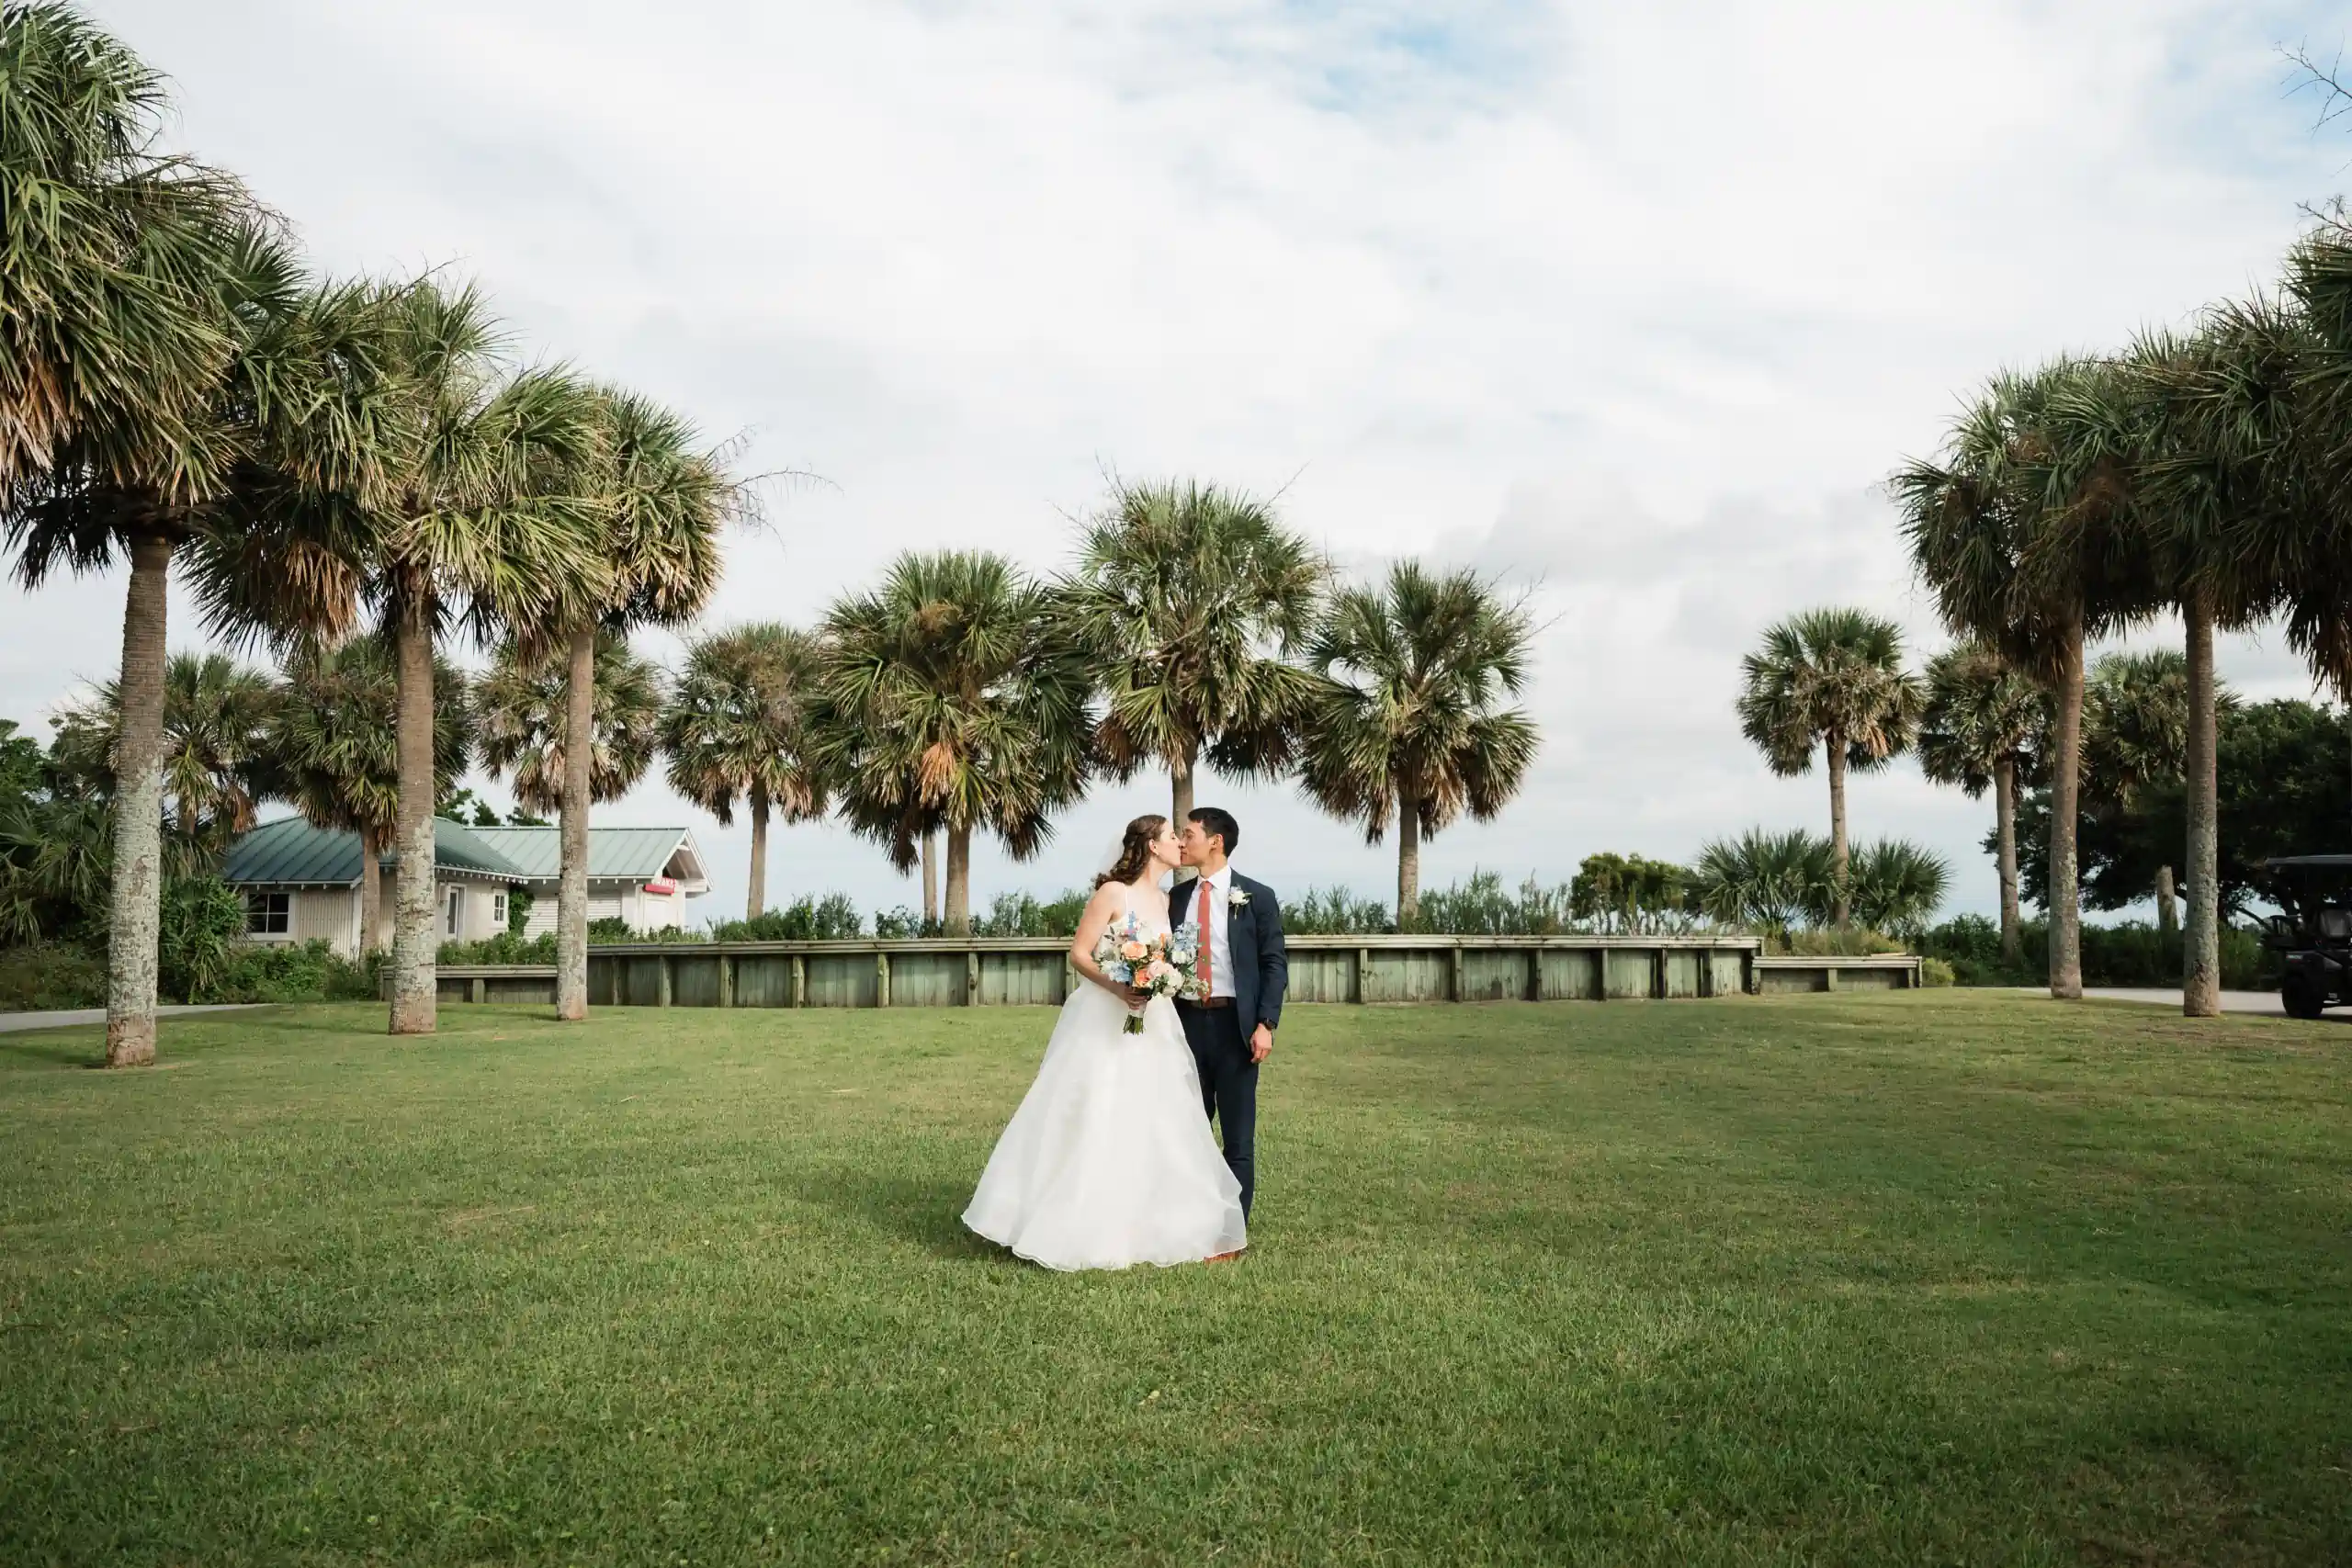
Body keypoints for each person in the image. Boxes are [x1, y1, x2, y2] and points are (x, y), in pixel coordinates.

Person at [961, 813, 1249, 1270]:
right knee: (1094, 1110)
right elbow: (1079, 952)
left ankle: (1149, 1221)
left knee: (1154, 1118)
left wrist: (1163, 980)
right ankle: (1064, 1217)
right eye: (1173, 836)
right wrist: (1119, 986)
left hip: (1154, 1022)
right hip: (1105, 1018)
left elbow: (1171, 958)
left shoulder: (1165, 900)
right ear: (1152, 846)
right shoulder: (1114, 893)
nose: (1180, 843)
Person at [1170, 805, 1285, 1235]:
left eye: (1189, 834)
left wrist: (1266, 1024)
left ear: (1215, 841)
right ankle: (1185, 1222)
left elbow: (1274, 965)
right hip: (1184, 1029)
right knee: (1186, 1134)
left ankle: (1230, 1230)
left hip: (1236, 1031)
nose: (1182, 841)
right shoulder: (1176, 898)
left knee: (1238, 1140)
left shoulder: (1258, 897)